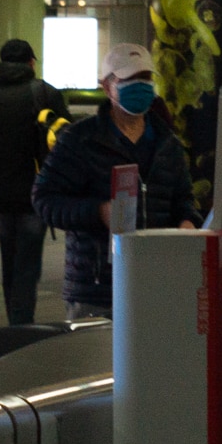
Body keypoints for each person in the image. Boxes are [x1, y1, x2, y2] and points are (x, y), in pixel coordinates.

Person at [32, 42, 191, 319]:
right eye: (129, 80)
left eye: (145, 78)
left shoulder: (168, 143)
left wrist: (188, 222)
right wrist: (98, 212)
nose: (140, 86)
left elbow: (183, 200)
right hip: (96, 291)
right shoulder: (79, 140)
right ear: (106, 87)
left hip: (157, 285)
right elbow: (44, 199)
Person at [0, 38, 66, 325]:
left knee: (9, 258)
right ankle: (21, 322)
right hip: (36, 190)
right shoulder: (44, 93)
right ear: (31, 62)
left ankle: (15, 319)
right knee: (28, 261)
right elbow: (65, 139)